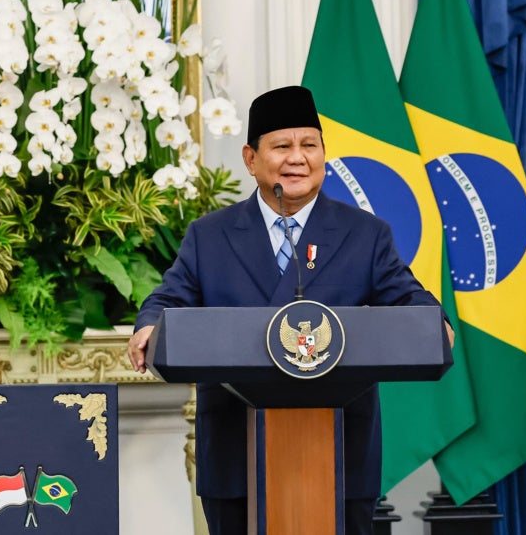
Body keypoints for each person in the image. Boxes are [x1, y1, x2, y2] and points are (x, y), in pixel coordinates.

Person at [127, 85, 453, 535]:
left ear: (323, 154)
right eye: (282, 146)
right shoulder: (210, 235)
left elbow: (412, 302)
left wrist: (435, 326)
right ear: (250, 158)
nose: (297, 158)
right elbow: (168, 299)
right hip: (235, 453)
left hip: (342, 452)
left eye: (309, 146)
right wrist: (148, 326)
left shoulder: (365, 234)